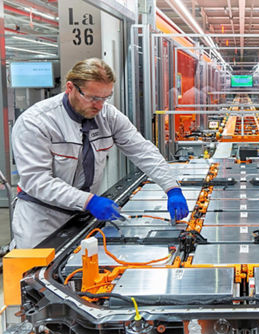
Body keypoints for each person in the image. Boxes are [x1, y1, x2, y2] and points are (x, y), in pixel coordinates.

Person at [11, 58, 188, 249]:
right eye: (93, 98)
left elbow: (143, 151)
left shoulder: (108, 116)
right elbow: (37, 181)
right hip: (42, 220)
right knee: (37, 273)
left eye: (105, 98)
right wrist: (89, 201)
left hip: (83, 216)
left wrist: (172, 188)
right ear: (70, 88)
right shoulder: (36, 122)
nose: (99, 105)